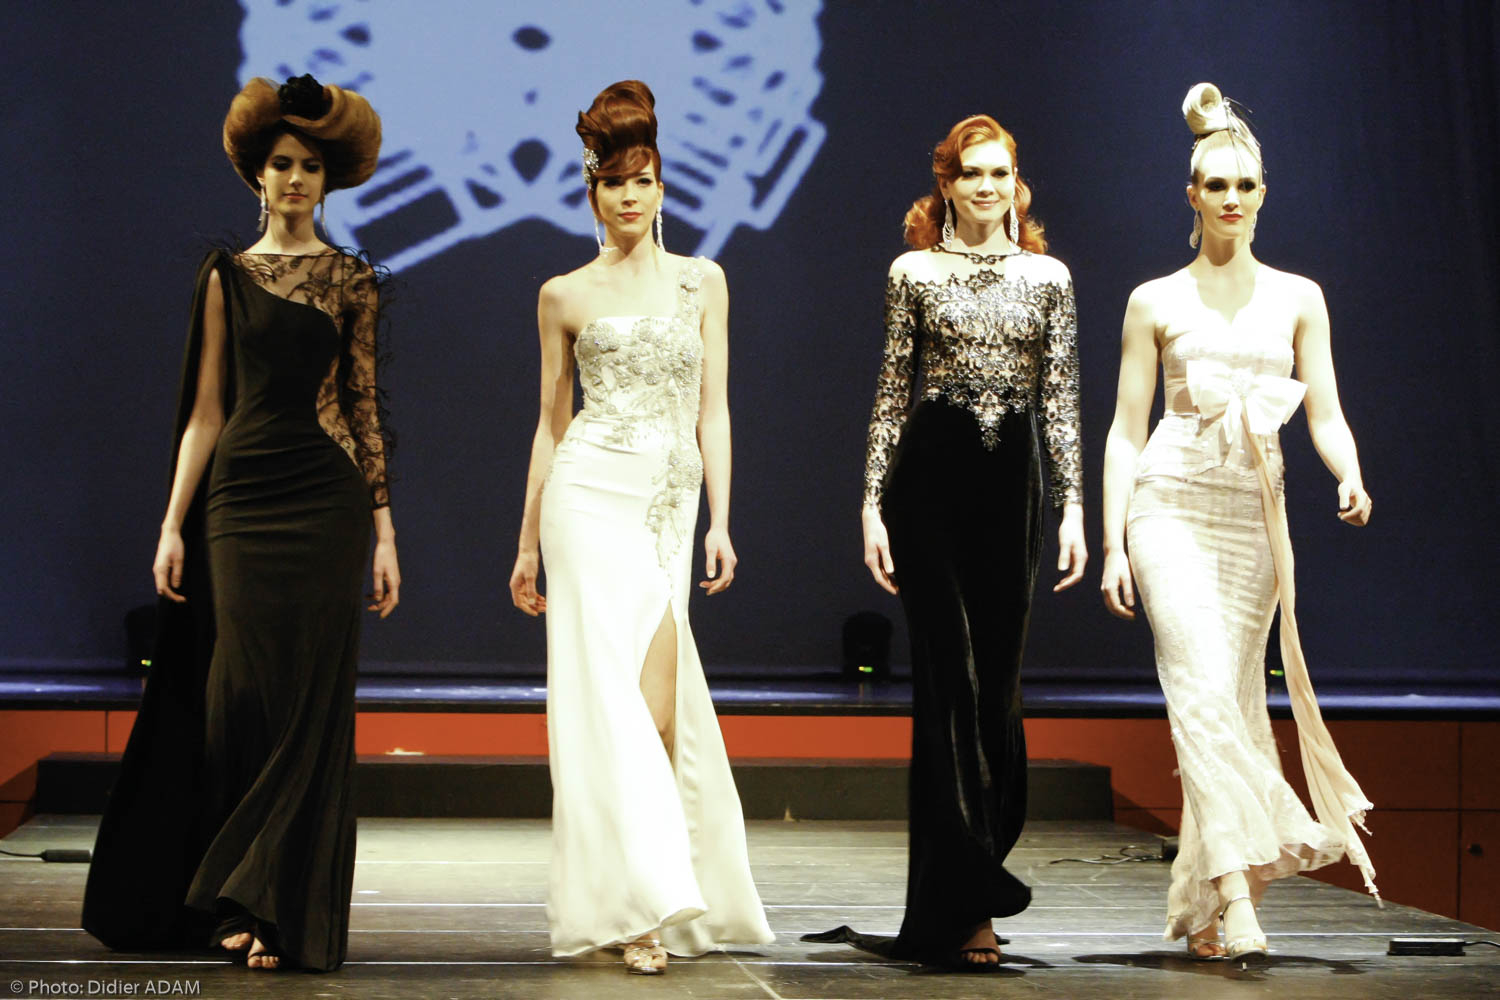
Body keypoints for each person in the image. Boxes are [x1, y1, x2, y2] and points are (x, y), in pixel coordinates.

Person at [82, 74, 397, 973]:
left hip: (328, 499)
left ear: (327, 180)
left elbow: (364, 407)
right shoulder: (224, 275)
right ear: (257, 175)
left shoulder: (352, 280)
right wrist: (170, 524)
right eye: (281, 164)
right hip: (242, 500)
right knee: (239, 697)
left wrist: (384, 533)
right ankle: (237, 891)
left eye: (309, 167)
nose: (294, 179)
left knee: (309, 701)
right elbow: (206, 411)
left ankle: (273, 908)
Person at [1099, 83, 1377, 965]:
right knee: (1198, 696)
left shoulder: (1299, 297)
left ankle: (1210, 904)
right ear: (1191, 195)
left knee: (1233, 699)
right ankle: (1235, 897)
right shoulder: (1154, 299)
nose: (1230, 198)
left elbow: (1325, 411)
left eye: (1243, 185)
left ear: (1263, 194)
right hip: (1169, 503)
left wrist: (1349, 472)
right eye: (1214, 185)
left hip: (1256, 513)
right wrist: (1112, 541)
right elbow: (1125, 429)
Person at [806, 114, 1086, 970]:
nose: (986, 187)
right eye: (971, 173)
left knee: (996, 686)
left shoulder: (1050, 279)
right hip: (927, 490)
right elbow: (893, 393)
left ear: (1017, 182)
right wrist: (869, 505)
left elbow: (1061, 401)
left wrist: (1075, 508)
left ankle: (970, 880)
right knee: (947, 685)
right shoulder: (913, 273)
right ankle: (969, 909)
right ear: (947, 184)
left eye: (999, 173)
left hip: (1013, 494)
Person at [506, 79, 772, 975]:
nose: (630, 196)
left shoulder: (704, 281)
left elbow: (715, 409)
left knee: (658, 711)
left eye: (644, 180)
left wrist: (722, 520)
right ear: (592, 192)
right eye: (614, 182)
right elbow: (550, 424)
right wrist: (527, 541)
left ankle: (651, 889)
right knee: (604, 704)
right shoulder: (563, 295)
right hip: (585, 497)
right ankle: (638, 913)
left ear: (663, 187)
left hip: (668, 503)